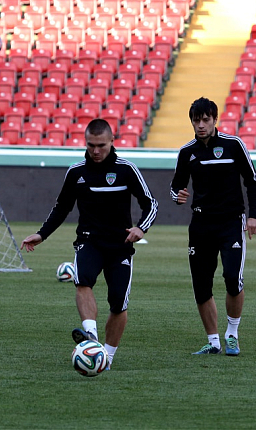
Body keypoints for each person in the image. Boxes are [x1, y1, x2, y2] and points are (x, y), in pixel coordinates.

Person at [21, 119, 158, 369]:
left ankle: (107, 356)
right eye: (91, 145)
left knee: (118, 303)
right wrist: (42, 234)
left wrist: (141, 228)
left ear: (112, 141)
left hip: (120, 245)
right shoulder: (76, 172)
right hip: (88, 241)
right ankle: (91, 336)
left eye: (101, 145)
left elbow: (150, 204)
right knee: (82, 281)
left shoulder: (127, 169)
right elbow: (61, 208)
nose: (95, 151)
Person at [170, 97, 256, 356]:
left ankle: (232, 334)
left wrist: (253, 216)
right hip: (201, 224)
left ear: (214, 120)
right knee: (201, 285)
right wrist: (177, 196)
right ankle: (213, 342)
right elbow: (175, 186)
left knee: (232, 278)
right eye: (196, 120)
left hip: (231, 222)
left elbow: (252, 182)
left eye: (205, 120)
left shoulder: (233, 145)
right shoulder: (187, 152)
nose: (201, 125)